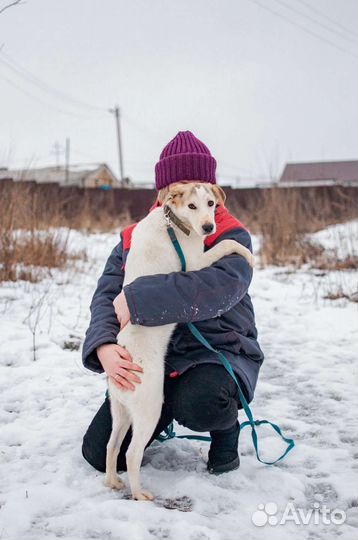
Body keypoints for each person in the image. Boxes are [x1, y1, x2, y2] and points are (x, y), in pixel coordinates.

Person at [81, 131, 264, 475]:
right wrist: (104, 345)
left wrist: (137, 299)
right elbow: (106, 295)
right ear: (164, 191)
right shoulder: (137, 235)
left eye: (199, 183)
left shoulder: (229, 233)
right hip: (153, 356)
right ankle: (159, 408)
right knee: (99, 453)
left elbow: (218, 288)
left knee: (199, 403)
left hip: (215, 351)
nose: (189, 192)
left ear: (210, 188)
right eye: (179, 183)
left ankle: (225, 429)